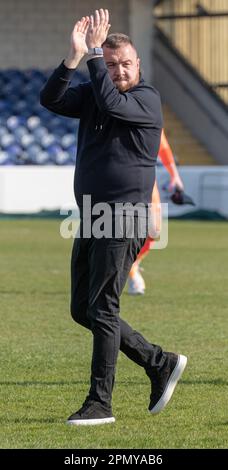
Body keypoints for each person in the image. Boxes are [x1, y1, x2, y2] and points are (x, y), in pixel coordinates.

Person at [40, 8, 187, 426]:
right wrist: (73, 58)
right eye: (111, 65)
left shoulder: (146, 99)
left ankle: (100, 404)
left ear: (138, 65)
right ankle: (159, 362)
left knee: (101, 308)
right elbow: (49, 99)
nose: (119, 70)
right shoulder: (93, 94)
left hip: (125, 216)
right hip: (92, 216)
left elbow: (109, 99)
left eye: (125, 63)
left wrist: (93, 58)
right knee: (82, 309)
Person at [128, 129, 184, 295]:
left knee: (154, 229)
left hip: (145, 175)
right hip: (118, 174)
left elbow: (162, 143)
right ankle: (129, 274)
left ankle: (132, 264)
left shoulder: (148, 110)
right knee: (116, 231)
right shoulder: (120, 107)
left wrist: (174, 175)